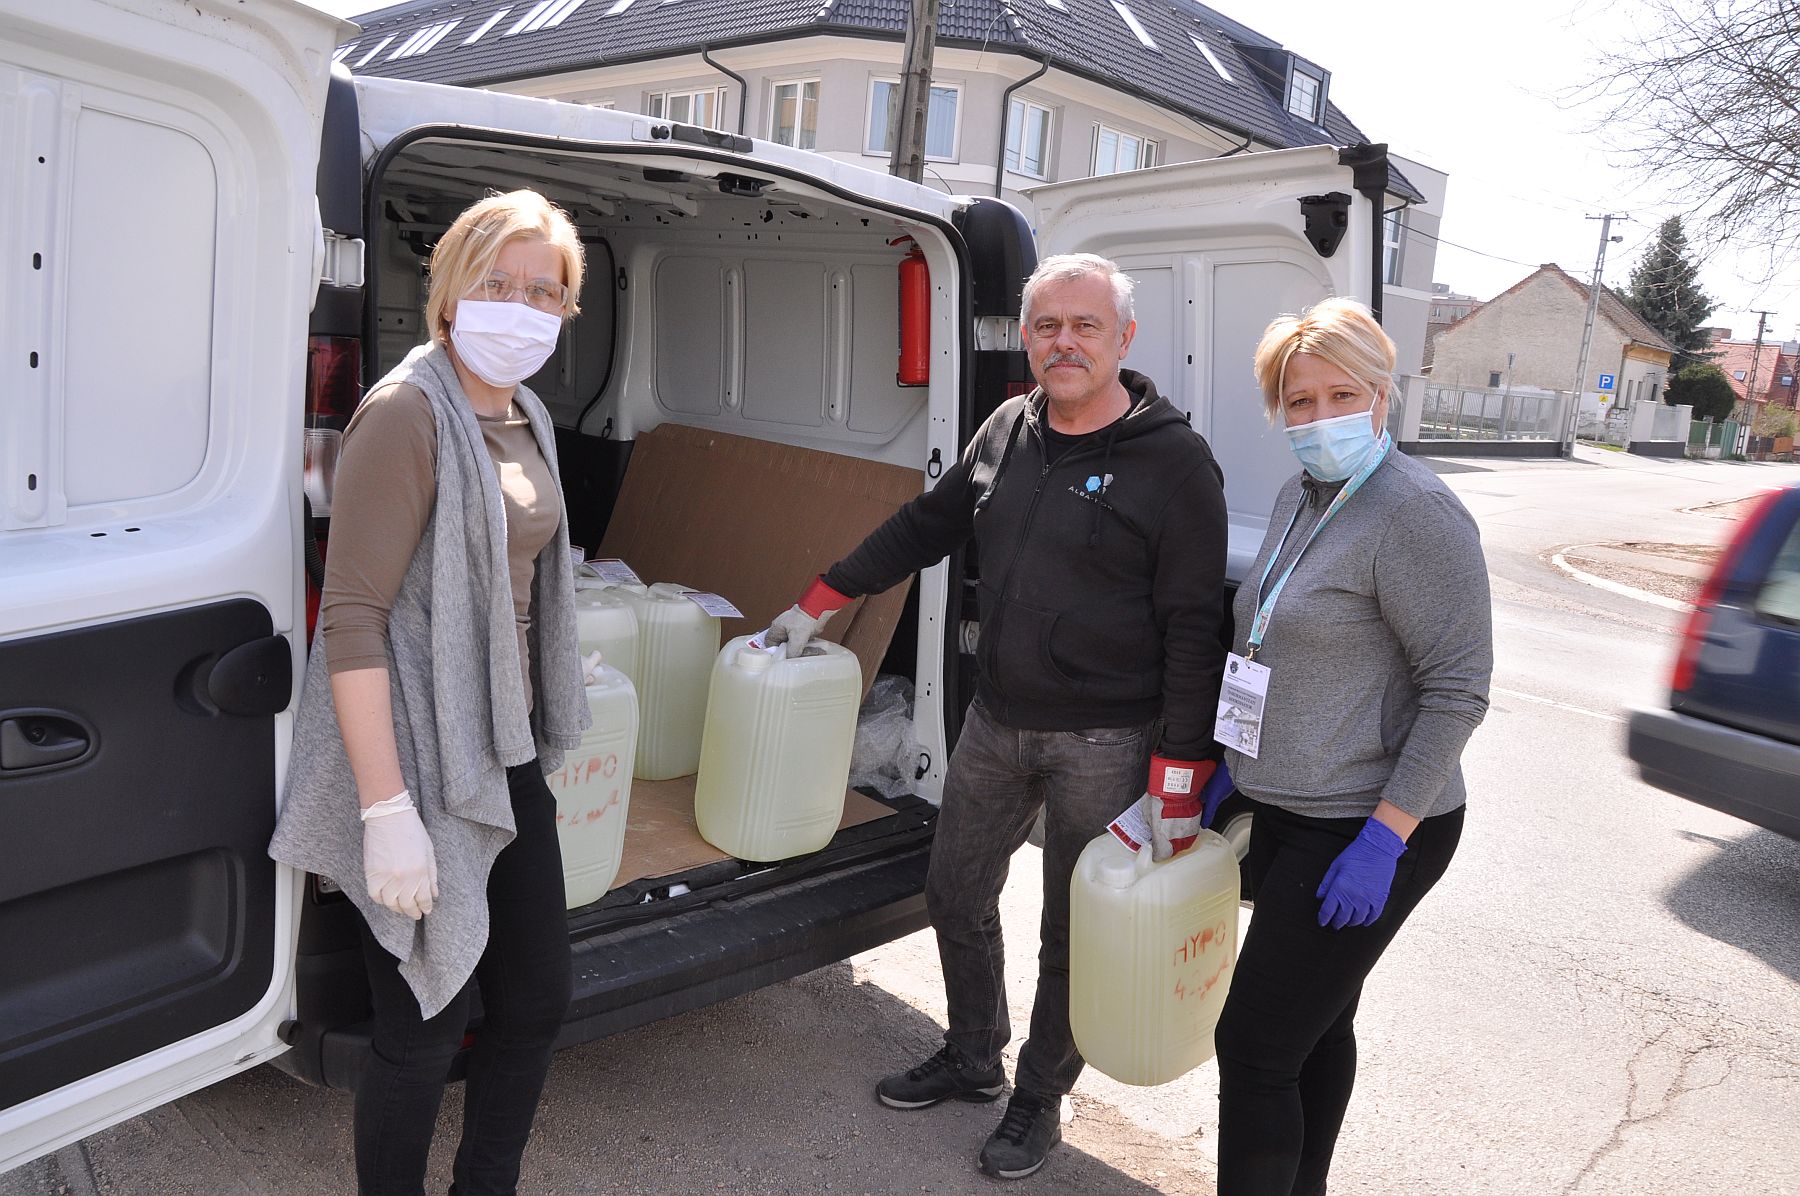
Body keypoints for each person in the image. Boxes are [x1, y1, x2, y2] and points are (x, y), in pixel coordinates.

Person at [764, 253, 1231, 1180]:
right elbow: (923, 525)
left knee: (1071, 931)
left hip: (1106, 739)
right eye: (1047, 325)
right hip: (997, 719)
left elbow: (1194, 629)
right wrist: (823, 595)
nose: (1064, 343)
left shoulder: (1174, 463)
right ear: (1027, 336)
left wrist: (1181, 772)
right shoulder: (1008, 428)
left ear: (1125, 339)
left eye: (1085, 326)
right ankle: (974, 1054)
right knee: (956, 891)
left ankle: (1038, 1099)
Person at [270, 190, 592, 1196]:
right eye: (498, 282)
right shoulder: (408, 413)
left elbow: (527, 576)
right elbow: (354, 618)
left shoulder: (526, 408)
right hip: (414, 749)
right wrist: (385, 811)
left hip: (504, 742)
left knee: (536, 998)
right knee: (423, 1024)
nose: (520, 304)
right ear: (450, 290)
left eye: (544, 290)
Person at [1207, 297, 1491, 1196]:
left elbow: (1458, 690)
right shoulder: (1303, 493)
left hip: (1369, 826)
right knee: (1314, 1028)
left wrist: (1385, 835)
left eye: (1342, 394)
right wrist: (1231, 763)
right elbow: (1268, 640)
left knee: (1253, 1046)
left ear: (1383, 397)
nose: (1319, 416)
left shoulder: (1415, 511)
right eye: (1298, 400)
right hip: (1285, 807)